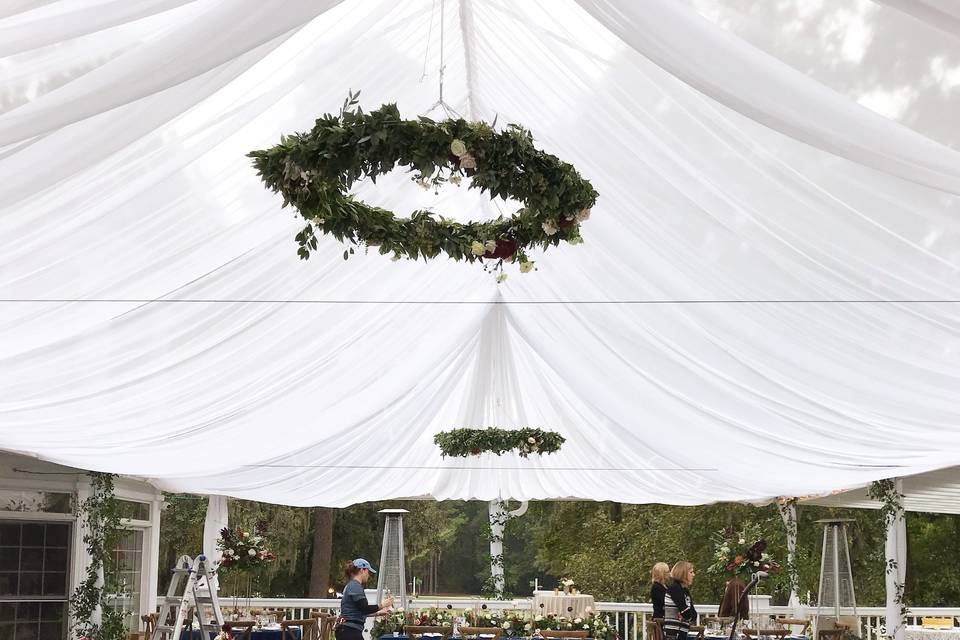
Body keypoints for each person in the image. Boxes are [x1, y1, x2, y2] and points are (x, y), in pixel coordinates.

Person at [335, 558, 393, 640]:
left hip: (347, 630)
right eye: (368, 571)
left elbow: (359, 611)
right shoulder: (355, 586)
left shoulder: (352, 586)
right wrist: (382, 605)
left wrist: (378, 613)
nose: (368, 575)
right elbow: (364, 608)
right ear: (362, 570)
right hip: (350, 631)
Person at [663, 561, 697, 640]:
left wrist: (686, 614)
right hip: (674, 634)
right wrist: (686, 614)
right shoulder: (675, 589)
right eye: (691, 572)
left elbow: (693, 614)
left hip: (682, 632)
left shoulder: (685, 590)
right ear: (683, 574)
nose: (693, 575)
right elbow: (687, 614)